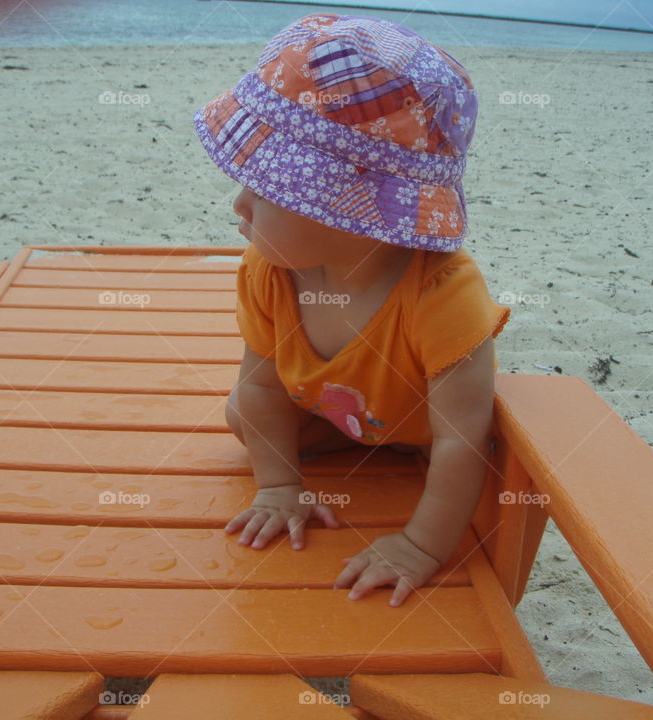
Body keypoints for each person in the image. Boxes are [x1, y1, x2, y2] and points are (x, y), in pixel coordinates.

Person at [192, 12, 510, 607]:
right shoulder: (271, 273)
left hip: (422, 437)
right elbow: (261, 390)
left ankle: (386, 459)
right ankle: (349, 444)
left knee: (470, 460)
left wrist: (420, 545)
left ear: (353, 211)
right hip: (342, 418)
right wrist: (280, 488)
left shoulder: (440, 292)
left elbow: (463, 441)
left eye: (268, 190)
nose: (239, 204)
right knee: (241, 411)